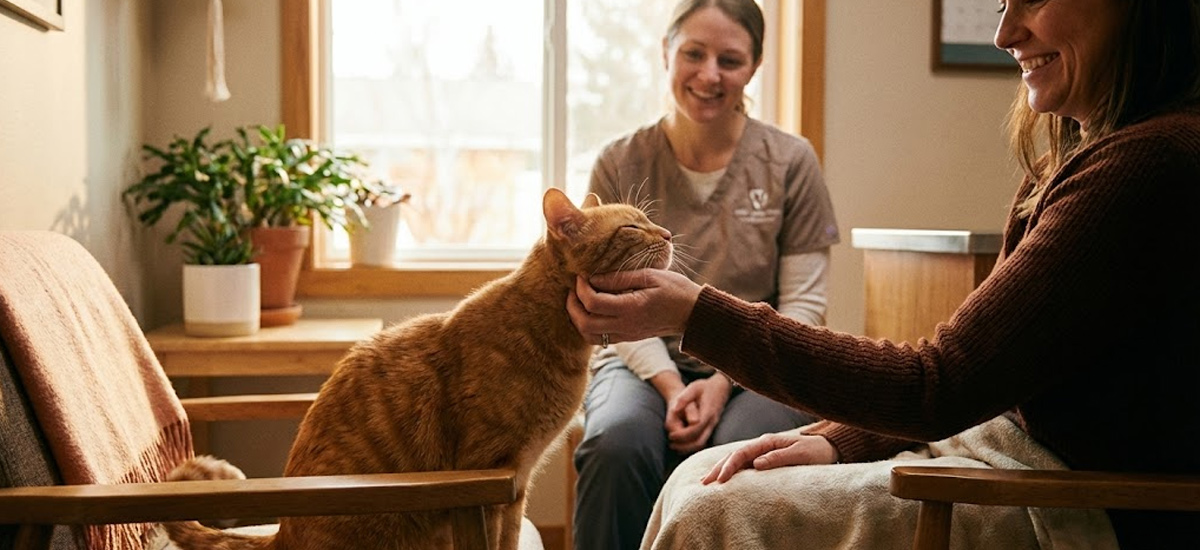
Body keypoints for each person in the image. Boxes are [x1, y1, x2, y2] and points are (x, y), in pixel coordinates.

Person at [567, 0, 1200, 548]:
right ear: (665, 54)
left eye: (1032, 0)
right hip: (1001, 445)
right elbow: (990, 378)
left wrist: (695, 315)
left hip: (1069, 500)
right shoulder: (1088, 158)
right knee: (663, 464)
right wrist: (841, 441)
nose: (1005, 33)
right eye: (1002, 4)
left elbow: (941, 383)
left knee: (714, 504)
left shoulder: (1145, 169)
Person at [571, 1, 840, 549]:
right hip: (639, 360)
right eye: (694, 53)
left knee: (738, 458)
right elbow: (603, 300)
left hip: (756, 364)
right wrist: (671, 386)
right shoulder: (619, 162)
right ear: (666, 52)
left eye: (730, 60)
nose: (709, 75)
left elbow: (804, 308)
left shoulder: (791, 162)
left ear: (755, 67)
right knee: (616, 443)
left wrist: (722, 381)